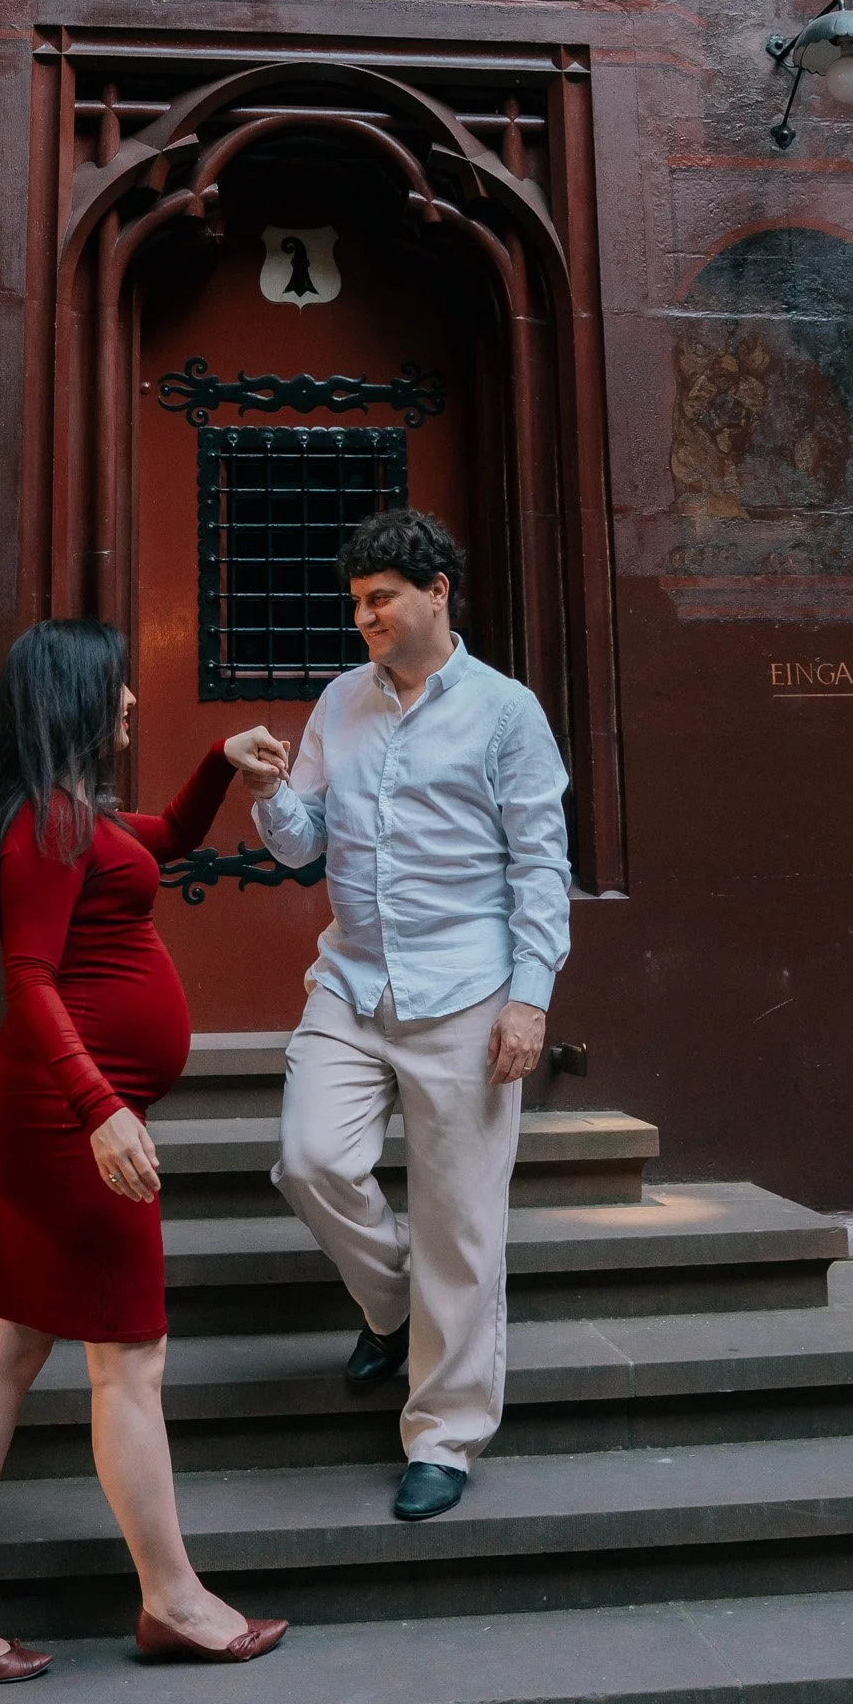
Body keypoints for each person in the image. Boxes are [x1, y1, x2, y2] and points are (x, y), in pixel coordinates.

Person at [0, 618, 288, 1683]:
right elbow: (28, 981)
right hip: (59, 1123)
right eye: (112, 691)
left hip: (45, 1116)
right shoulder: (43, 829)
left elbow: (164, 842)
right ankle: (171, 1599)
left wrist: (217, 765)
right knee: (129, 1359)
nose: (126, 706)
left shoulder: (75, 818)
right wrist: (101, 1108)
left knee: (8, 1352)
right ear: (70, 698)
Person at [231, 510, 571, 1523]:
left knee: (461, 1222)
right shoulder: (339, 702)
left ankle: (444, 1438)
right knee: (308, 1160)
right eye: (355, 603)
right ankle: (390, 1308)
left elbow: (538, 865)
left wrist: (529, 997)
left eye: (380, 597)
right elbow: (298, 846)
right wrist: (263, 792)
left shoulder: (506, 713)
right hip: (351, 982)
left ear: (436, 592)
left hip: (467, 992)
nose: (365, 616)